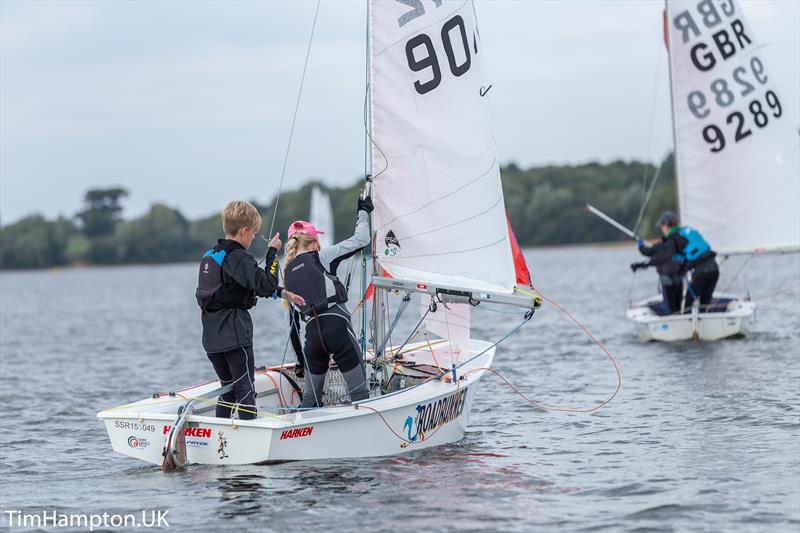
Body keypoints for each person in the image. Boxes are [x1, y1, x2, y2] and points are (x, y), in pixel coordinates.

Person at [196, 200, 304, 420]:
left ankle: (221, 434)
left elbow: (243, 288)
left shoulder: (211, 255)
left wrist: (283, 293)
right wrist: (273, 253)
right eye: (253, 233)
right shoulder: (238, 257)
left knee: (228, 390)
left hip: (212, 341)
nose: (254, 237)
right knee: (245, 390)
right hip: (236, 338)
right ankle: (249, 440)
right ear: (244, 231)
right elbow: (266, 284)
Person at [282, 195, 373, 408]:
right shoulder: (322, 256)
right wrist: (363, 212)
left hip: (313, 340)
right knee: (360, 397)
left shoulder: (287, 273)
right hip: (338, 330)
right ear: (314, 242)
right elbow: (361, 240)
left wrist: (301, 362)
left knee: (310, 401)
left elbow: (293, 327)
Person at [631, 210, 686, 315]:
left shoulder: (666, 242)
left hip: (667, 278)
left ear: (666, 225)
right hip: (679, 277)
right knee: (677, 307)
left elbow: (647, 251)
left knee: (670, 307)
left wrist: (640, 243)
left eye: (662, 226)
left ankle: (667, 315)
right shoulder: (682, 239)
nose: (661, 228)